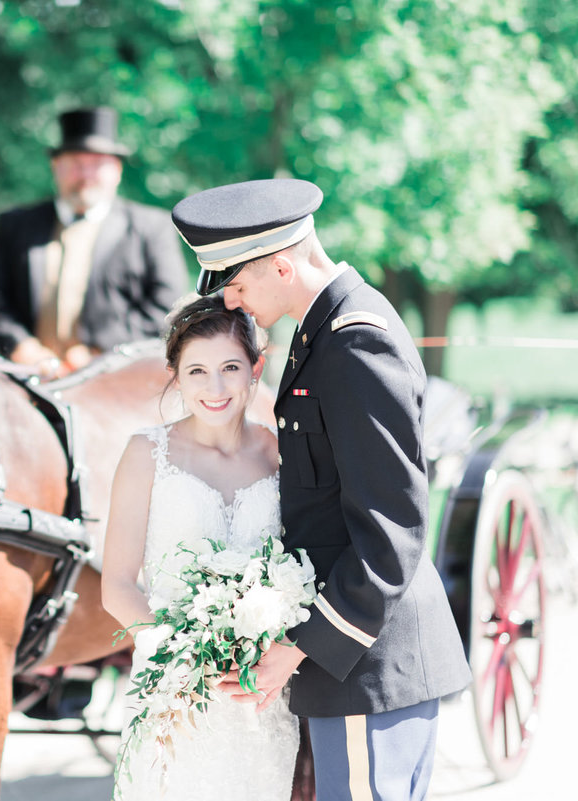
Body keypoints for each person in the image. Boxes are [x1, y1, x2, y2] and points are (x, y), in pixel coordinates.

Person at [172, 178, 471, 800]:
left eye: (237, 281)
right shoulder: (324, 333)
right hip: (359, 665)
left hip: (371, 665)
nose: (231, 300)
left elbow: (391, 534)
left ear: (281, 264)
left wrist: (299, 647)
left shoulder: (354, 341)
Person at [101, 294, 299, 801]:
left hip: (261, 691)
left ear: (256, 368)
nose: (215, 388)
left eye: (230, 367)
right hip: (174, 688)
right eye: (196, 372)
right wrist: (182, 654)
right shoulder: (146, 453)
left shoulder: (283, 452)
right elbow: (117, 584)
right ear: (175, 374)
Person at [0, 107, 189, 374]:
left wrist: (100, 350)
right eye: (76, 164)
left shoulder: (151, 227)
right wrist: (21, 347)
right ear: (56, 167)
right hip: (32, 378)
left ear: (117, 170)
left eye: (97, 164)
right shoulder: (15, 224)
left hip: (118, 379)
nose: (85, 175)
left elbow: (166, 304)